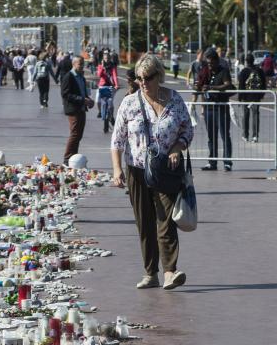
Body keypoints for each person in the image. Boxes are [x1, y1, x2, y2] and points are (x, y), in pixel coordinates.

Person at [111, 54, 194, 290]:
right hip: (137, 169)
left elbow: (187, 130)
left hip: (167, 169)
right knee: (144, 222)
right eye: (139, 78)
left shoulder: (175, 100)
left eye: (147, 77)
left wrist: (177, 148)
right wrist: (117, 170)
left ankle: (170, 271)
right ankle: (150, 273)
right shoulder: (129, 103)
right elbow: (117, 141)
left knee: (166, 219)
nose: (143, 82)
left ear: (159, 76)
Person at [195, 48, 233, 170]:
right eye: (208, 63)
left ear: (217, 61)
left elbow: (227, 84)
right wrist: (198, 87)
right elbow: (199, 88)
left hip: (221, 107)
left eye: (211, 63)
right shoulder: (205, 72)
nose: (210, 66)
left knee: (224, 135)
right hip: (208, 108)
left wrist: (212, 87)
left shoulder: (223, 71)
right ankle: (212, 162)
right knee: (211, 136)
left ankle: (227, 162)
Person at [61, 55, 91, 159]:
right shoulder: (68, 76)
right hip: (73, 109)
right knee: (75, 134)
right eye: (80, 64)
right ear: (74, 64)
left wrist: (88, 100)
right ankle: (67, 158)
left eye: (83, 63)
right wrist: (82, 100)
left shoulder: (81, 76)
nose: (82, 66)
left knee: (78, 135)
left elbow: (82, 92)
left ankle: (73, 157)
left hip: (81, 108)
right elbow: (65, 94)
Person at [236, 53, 267, 142]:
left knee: (245, 116)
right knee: (255, 116)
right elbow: (264, 83)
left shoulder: (244, 71)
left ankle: (245, 135)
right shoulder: (260, 71)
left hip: (246, 97)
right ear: (253, 60)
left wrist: (240, 97)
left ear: (246, 61)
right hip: (256, 97)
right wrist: (262, 94)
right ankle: (255, 136)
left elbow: (241, 85)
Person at [96, 54, 119, 133]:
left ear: (110, 58)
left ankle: (111, 116)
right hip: (102, 86)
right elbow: (99, 75)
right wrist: (102, 67)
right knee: (98, 101)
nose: (107, 59)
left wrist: (116, 85)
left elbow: (115, 75)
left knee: (110, 103)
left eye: (108, 58)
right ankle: (100, 112)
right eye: (105, 58)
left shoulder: (112, 66)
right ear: (103, 59)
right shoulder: (100, 66)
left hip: (110, 86)